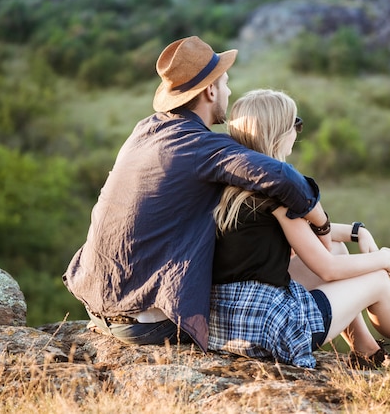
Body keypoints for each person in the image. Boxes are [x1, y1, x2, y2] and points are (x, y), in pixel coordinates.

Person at [62, 37, 331, 351]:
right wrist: (322, 221)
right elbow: (282, 177)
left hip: (98, 305)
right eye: (226, 84)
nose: (229, 93)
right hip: (147, 322)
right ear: (211, 91)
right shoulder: (202, 147)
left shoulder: (144, 131)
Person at [208, 89, 390, 369]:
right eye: (295, 124)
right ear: (278, 133)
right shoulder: (275, 192)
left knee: (337, 248)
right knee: (377, 281)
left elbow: (306, 233)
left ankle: (366, 351)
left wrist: (356, 232)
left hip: (230, 322)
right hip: (269, 329)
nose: (297, 132)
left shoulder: (233, 185)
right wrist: (382, 259)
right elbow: (328, 270)